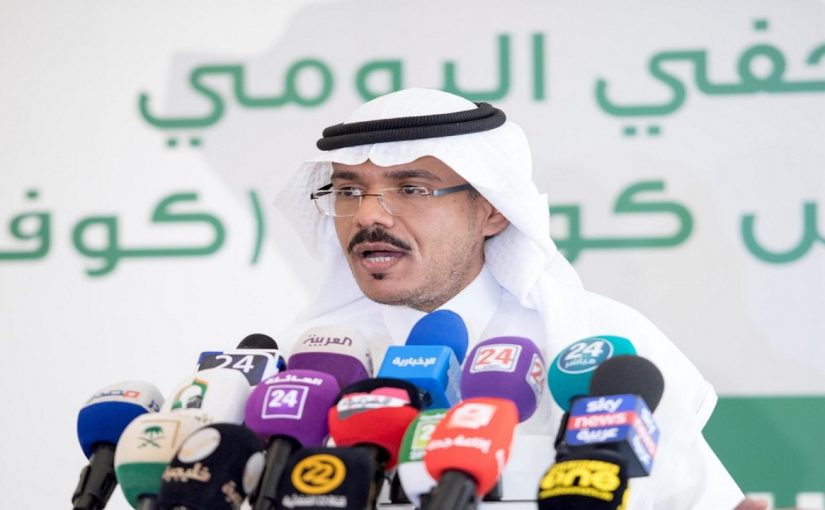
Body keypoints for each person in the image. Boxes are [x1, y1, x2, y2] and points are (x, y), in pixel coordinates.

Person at [276, 88, 762, 509]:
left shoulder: (602, 344)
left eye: (411, 188)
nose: (366, 217)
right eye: (349, 191)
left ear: (492, 211)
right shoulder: (300, 368)